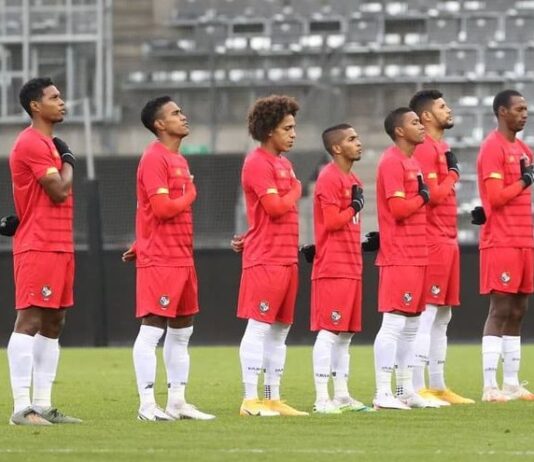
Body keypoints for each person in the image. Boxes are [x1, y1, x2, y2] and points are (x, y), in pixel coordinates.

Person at [122, 96, 215, 421]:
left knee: (182, 330)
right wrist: (191, 195)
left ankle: (177, 402)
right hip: (161, 258)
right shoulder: (154, 158)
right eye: (175, 113)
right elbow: (161, 209)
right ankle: (147, 405)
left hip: (182, 256)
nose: (183, 116)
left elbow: (148, 210)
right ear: (160, 124)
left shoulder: (179, 159)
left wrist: (141, 238)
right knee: (152, 329)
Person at [7, 77, 80, 425]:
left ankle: (43, 404)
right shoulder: (31, 142)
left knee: (54, 321)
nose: (62, 102)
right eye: (54, 97)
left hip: (60, 243)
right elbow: (59, 191)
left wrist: (61, 156)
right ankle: (21, 408)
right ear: (35, 106)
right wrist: (70, 161)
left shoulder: (47, 144)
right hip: (38, 244)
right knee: (30, 320)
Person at [231, 95, 308, 417]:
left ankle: (272, 396)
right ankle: (250, 399)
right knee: (260, 327)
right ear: (268, 131)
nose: (293, 134)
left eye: (293, 128)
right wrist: (297, 190)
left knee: (280, 331)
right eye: (287, 128)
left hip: (286, 257)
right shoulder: (257, 163)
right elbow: (275, 208)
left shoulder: (284, 164)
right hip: (265, 258)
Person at [408, 90, 474, 405]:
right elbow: (433, 196)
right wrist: (453, 174)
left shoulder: (441, 147)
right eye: (442, 106)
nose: (449, 110)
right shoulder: (424, 148)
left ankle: (437, 384)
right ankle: (417, 385)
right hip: (431, 240)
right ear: (426, 116)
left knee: (443, 315)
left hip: (447, 239)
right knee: (428, 312)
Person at [372, 107, 437, 410]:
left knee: (412, 325)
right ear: (399, 131)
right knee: (394, 323)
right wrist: (423, 196)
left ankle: (404, 389)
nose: (421, 125)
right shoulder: (392, 161)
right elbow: (398, 210)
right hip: (399, 255)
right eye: (414, 122)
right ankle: (382, 392)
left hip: (417, 253)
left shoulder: (413, 161)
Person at [309, 123, 374, 414]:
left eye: (357, 137)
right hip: (333, 266)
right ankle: (322, 398)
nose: (358, 143)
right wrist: (354, 207)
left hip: (352, 265)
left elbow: (346, 225)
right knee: (329, 331)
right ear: (336, 148)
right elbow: (333, 221)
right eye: (351, 139)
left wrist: (364, 241)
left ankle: (342, 395)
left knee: (346, 335)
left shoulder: (353, 178)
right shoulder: (329, 177)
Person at [476, 89, 534, 402]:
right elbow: (496, 198)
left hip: (525, 240)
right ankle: (489, 385)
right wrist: (525, 181)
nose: (525, 114)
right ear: (502, 112)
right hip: (501, 240)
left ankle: (511, 382)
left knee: (519, 310)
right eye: (519, 109)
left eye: (526, 109)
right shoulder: (492, 148)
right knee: (499, 309)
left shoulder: (524, 149)